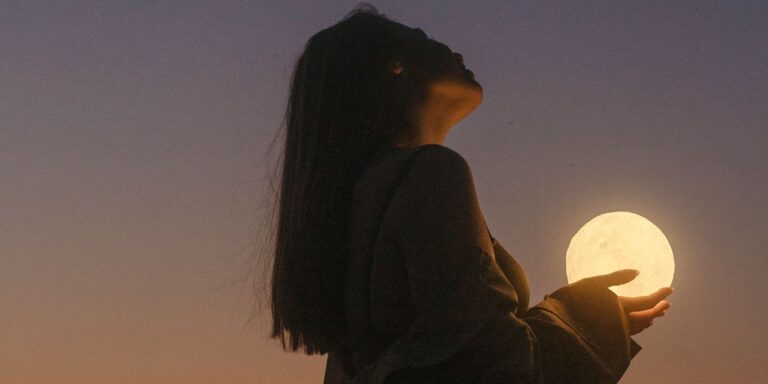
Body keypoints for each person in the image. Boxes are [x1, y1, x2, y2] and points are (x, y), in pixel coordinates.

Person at [267, 5, 673, 383]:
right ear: (395, 66)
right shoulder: (430, 172)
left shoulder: (356, 200)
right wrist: (587, 314)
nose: (451, 47)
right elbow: (494, 361)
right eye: (423, 37)